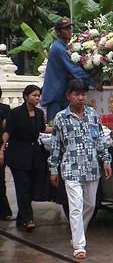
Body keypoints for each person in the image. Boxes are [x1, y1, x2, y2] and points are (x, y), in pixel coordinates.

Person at [48, 79, 112, 260]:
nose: (81, 97)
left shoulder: (92, 114)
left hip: (92, 168)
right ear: (68, 95)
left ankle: (78, 235)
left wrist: (106, 160)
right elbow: (55, 146)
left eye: (83, 94)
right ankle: (79, 246)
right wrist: (53, 169)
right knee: (75, 207)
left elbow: (100, 140)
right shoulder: (61, 117)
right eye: (76, 94)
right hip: (70, 169)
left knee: (90, 205)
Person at [1, 85, 52, 231]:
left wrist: (58, 127)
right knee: (22, 187)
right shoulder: (16, 113)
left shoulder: (39, 113)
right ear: (26, 97)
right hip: (18, 155)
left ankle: (22, 218)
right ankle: (28, 219)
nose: (37, 98)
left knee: (30, 186)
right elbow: (7, 132)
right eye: (34, 95)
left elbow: (42, 128)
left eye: (38, 96)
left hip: (34, 155)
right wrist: (2, 149)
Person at [41, 17, 98, 122]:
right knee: (56, 126)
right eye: (65, 29)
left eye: (70, 28)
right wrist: (93, 83)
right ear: (58, 32)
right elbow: (74, 70)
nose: (69, 31)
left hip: (61, 93)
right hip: (56, 95)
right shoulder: (58, 48)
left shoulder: (63, 47)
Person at [0, 87, 12, 220]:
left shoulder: (4, 109)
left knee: (1, 182)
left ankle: (4, 211)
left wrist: (2, 148)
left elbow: (6, 130)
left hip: (0, 147)